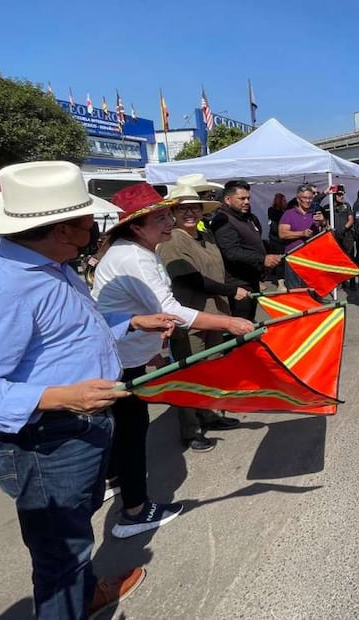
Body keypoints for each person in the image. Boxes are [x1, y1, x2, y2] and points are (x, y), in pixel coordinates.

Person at [0, 160, 182, 618]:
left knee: (74, 535)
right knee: (60, 556)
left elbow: (65, 333)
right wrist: (60, 397)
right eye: (89, 219)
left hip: (80, 430)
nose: (97, 227)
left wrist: (128, 320)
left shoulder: (50, 265)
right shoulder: (2, 288)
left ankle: (85, 594)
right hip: (48, 442)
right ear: (66, 230)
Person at [92, 183, 256, 539]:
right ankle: (135, 510)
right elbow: (170, 309)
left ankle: (114, 478)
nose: (170, 222)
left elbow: (146, 310)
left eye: (169, 215)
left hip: (127, 352)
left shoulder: (137, 250)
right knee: (132, 428)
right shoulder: (133, 257)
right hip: (117, 359)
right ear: (136, 226)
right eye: (161, 217)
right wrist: (228, 321)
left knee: (124, 426)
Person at [156, 184, 244, 452]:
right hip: (190, 318)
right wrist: (232, 290)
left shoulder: (205, 238)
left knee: (211, 370)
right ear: (172, 213)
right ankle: (190, 429)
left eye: (193, 207)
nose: (189, 213)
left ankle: (209, 414)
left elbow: (219, 272)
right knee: (190, 373)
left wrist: (239, 288)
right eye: (182, 209)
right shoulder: (171, 240)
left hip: (215, 314)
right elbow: (190, 279)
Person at [210, 180, 282, 320]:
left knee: (249, 320)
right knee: (240, 325)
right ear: (228, 200)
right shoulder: (223, 220)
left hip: (252, 280)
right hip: (237, 284)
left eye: (248, 198)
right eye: (242, 198)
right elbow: (231, 252)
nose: (247, 202)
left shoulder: (249, 218)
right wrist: (262, 259)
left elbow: (255, 242)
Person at [278, 184, 326, 289]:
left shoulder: (315, 213)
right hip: (294, 257)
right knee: (295, 290)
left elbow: (326, 231)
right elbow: (282, 234)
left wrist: (323, 222)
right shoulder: (289, 214)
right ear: (298, 199)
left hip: (312, 258)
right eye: (305, 198)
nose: (308, 201)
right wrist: (302, 233)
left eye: (310, 198)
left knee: (311, 288)